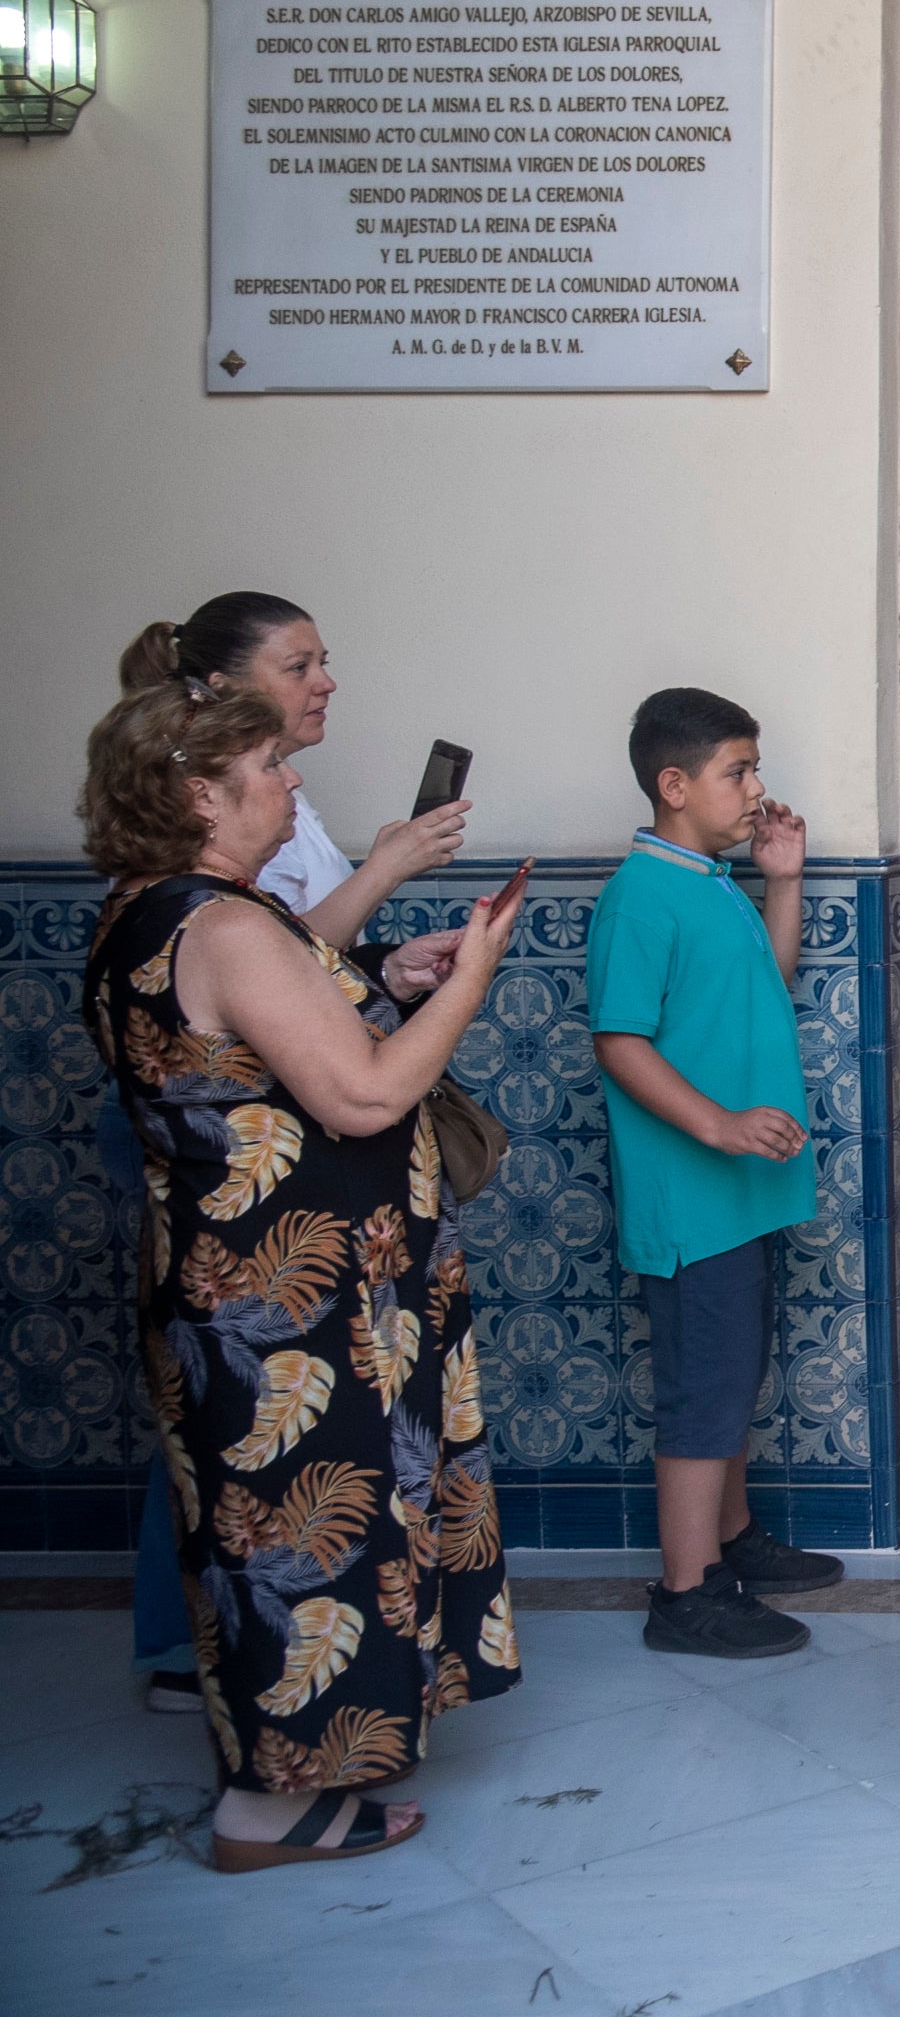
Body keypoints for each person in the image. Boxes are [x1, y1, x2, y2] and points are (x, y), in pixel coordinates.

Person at [79, 677, 520, 1871]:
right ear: (195, 790)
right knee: (307, 1542)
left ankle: (285, 1785)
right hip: (292, 1317)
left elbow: (260, 1036)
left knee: (272, 1542)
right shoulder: (221, 924)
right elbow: (362, 1091)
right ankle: (269, 1808)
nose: (292, 781)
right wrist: (471, 979)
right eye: (268, 766)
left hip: (242, 1294)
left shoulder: (157, 911)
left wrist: (383, 974)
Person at [115, 592, 473, 1705]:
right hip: (263, 1232)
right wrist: (455, 969)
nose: (323, 685)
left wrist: (380, 971)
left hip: (294, 1223)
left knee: (286, 1465)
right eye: (297, 663)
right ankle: (235, 1688)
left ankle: (295, 1703)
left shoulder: (217, 879)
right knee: (263, 1469)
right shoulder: (205, 907)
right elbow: (325, 1053)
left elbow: (298, 977)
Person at [586, 689, 843, 1659]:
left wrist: (783, 877)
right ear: (674, 783)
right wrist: (720, 1125)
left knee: (732, 1375)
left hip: (734, 1191)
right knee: (704, 1388)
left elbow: (762, 979)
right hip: (689, 1194)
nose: (755, 787)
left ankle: (729, 1539)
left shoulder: (707, 879)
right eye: (737, 770)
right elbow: (620, 1040)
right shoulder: (642, 893)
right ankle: (686, 1590)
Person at [121, 592, 471, 949]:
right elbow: (269, 965)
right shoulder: (222, 810)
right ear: (223, 687)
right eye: (299, 668)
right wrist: (384, 869)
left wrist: (390, 972)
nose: (326, 684)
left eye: (323, 663)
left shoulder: (283, 794)